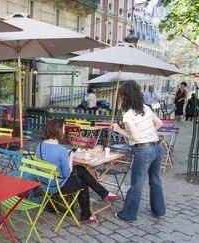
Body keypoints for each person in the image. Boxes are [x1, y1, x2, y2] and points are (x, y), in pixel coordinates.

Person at [36, 119, 120, 223]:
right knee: (83, 183)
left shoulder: (39, 145)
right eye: (63, 128)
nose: (64, 131)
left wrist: (65, 156)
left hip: (45, 182)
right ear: (58, 131)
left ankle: (103, 194)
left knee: (81, 169)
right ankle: (87, 214)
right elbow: (67, 173)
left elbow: (49, 159)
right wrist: (70, 156)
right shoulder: (60, 149)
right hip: (56, 186)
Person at [112, 81, 165, 223]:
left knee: (136, 184)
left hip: (144, 150)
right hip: (157, 147)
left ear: (126, 96)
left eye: (122, 96)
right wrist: (148, 133)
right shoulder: (145, 108)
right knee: (155, 181)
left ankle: (128, 214)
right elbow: (159, 123)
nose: (121, 98)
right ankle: (159, 211)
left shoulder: (128, 114)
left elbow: (135, 137)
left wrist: (119, 130)